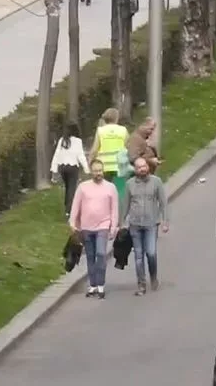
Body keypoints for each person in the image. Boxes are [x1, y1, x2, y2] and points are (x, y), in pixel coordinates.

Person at [69, 159, 118, 298]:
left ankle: (101, 284)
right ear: (91, 172)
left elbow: (114, 209)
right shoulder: (83, 187)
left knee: (101, 254)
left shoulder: (110, 187)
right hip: (86, 227)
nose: (98, 173)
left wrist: (113, 227)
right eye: (96, 171)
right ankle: (93, 285)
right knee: (90, 256)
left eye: (100, 171)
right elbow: (75, 206)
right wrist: (73, 223)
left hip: (103, 226)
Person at [122, 156, 168, 296]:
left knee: (151, 253)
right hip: (135, 224)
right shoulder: (129, 184)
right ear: (135, 170)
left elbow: (163, 203)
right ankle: (141, 284)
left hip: (151, 223)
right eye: (139, 167)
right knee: (138, 256)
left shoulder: (156, 182)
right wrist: (121, 222)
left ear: (148, 167)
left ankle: (153, 277)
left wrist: (165, 221)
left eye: (144, 166)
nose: (142, 169)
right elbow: (125, 204)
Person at [87, 107, 130, 206]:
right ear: (116, 118)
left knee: (104, 193)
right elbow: (128, 146)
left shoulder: (100, 131)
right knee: (119, 193)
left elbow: (94, 149)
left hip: (104, 167)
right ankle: (118, 217)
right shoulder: (123, 130)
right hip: (120, 167)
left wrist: (90, 162)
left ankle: (105, 215)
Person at [50, 124, 88, 217]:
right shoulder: (78, 141)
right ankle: (69, 210)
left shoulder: (62, 140)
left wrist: (54, 169)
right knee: (72, 188)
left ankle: (67, 205)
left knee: (67, 187)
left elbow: (57, 155)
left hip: (62, 167)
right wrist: (86, 168)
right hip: (73, 167)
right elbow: (80, 156)